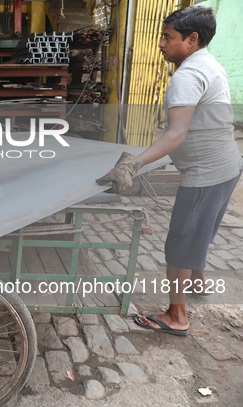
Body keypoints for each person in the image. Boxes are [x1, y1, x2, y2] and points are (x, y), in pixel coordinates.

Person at [96, 6, 243, 335]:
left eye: (167, 37)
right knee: (201, 229)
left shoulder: (187, 75)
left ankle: (177, 316)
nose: (160, 44)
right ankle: (198, 282)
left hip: (205, 174)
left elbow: (176, 134)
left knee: (180, 242)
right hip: (229, 165)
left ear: (192, 39)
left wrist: (133, 164)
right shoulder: (209, 63)